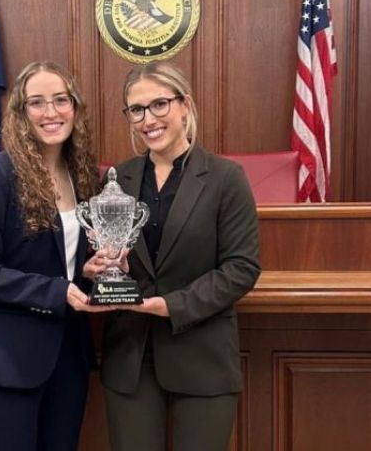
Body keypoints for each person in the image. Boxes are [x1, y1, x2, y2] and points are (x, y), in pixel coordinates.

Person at [86, 61, 261, 451]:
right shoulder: (117, 179)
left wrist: (172, 306)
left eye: (159, 104)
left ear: (185, 105)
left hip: (202, 354)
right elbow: (104, 254)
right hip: (131, 358)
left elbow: (242, 267)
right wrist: (99, 268)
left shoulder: (225, 178)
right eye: (136, 109)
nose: (148, 118)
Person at [0, 61, 106, 451]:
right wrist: (55, 292)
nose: (51, 112)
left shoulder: (85, 175)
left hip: (69, 355)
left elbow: (68, 265)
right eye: (36, 103)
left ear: (76, 107)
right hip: (10, 356)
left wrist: (87, 274)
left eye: (60, 100)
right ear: (21, 114)